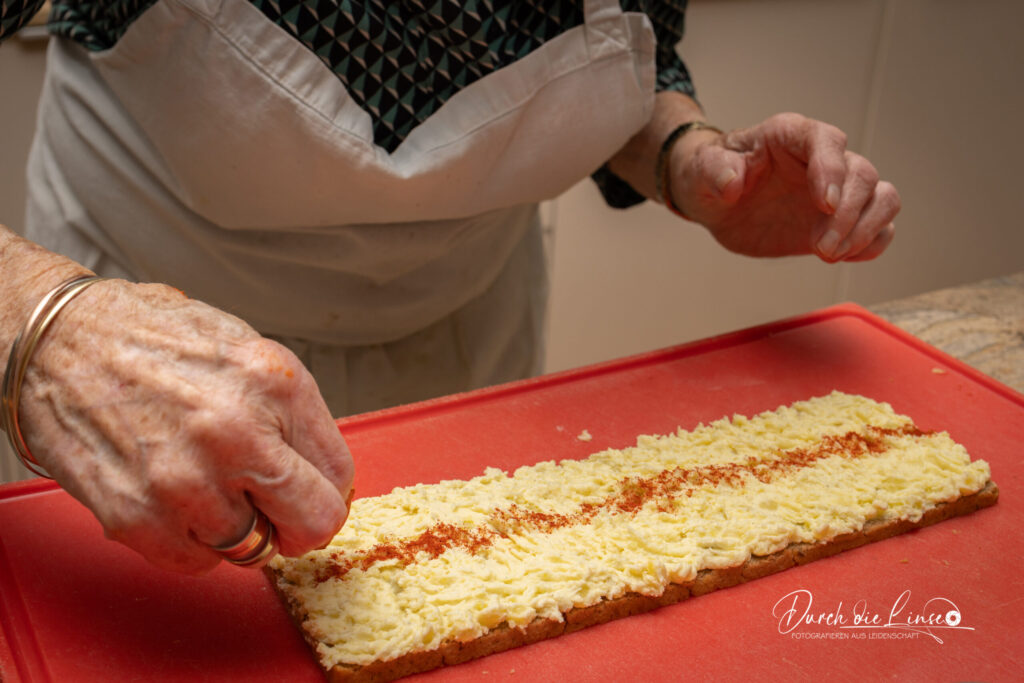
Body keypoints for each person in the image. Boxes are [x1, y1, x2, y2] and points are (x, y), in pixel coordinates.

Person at [0, 0, 900, 573]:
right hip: (137, 349)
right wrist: (41, 326)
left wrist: (684, 156)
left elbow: (627, 52)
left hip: (469, 322)